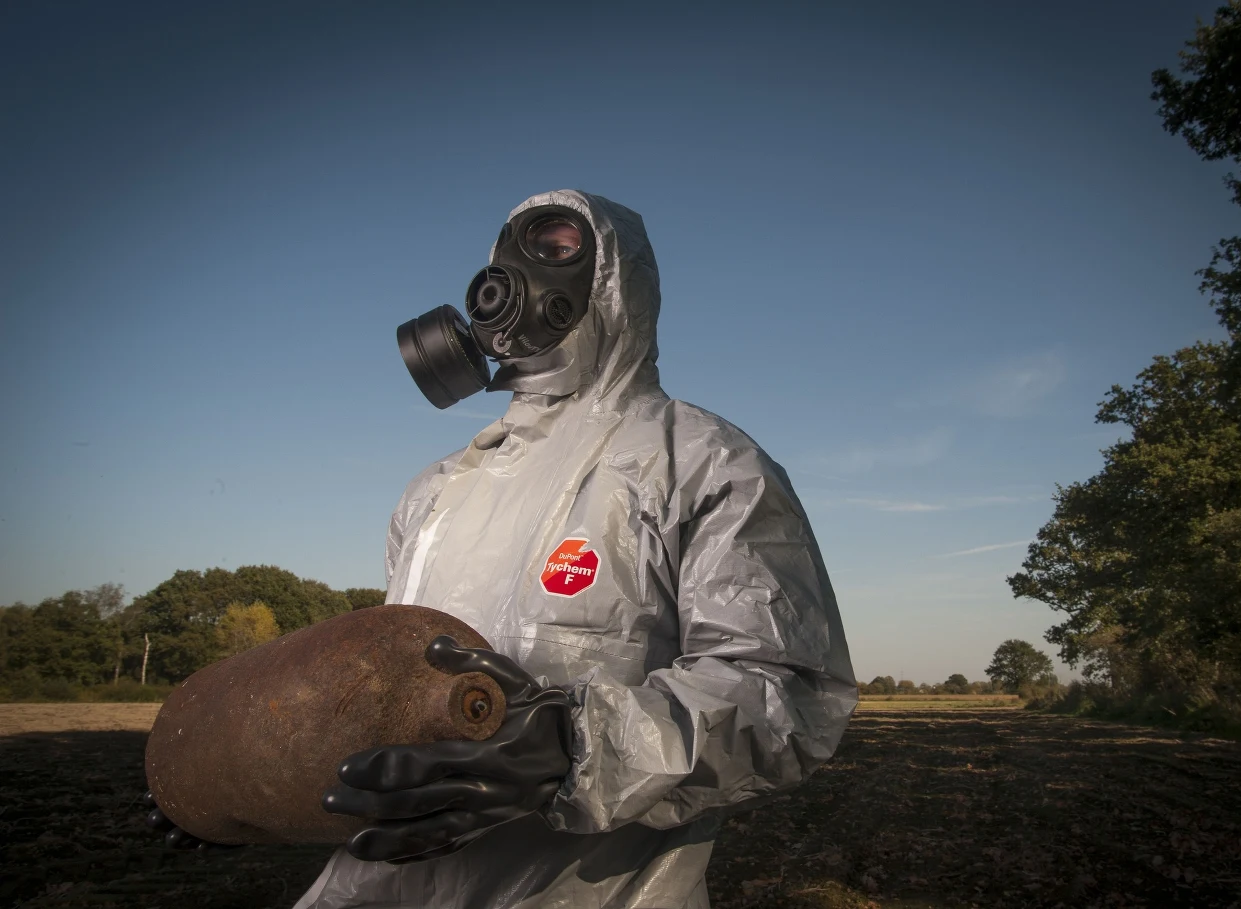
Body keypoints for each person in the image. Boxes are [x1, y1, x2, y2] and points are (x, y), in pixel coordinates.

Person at [285, 189, 858, 908]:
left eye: (558, 249)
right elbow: (387, 695)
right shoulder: (432, 494)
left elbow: (787, 695)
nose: (521, 273)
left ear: (615, 286)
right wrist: (243, 781)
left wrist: (577, 744)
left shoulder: (705, 463)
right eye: (510, 254)